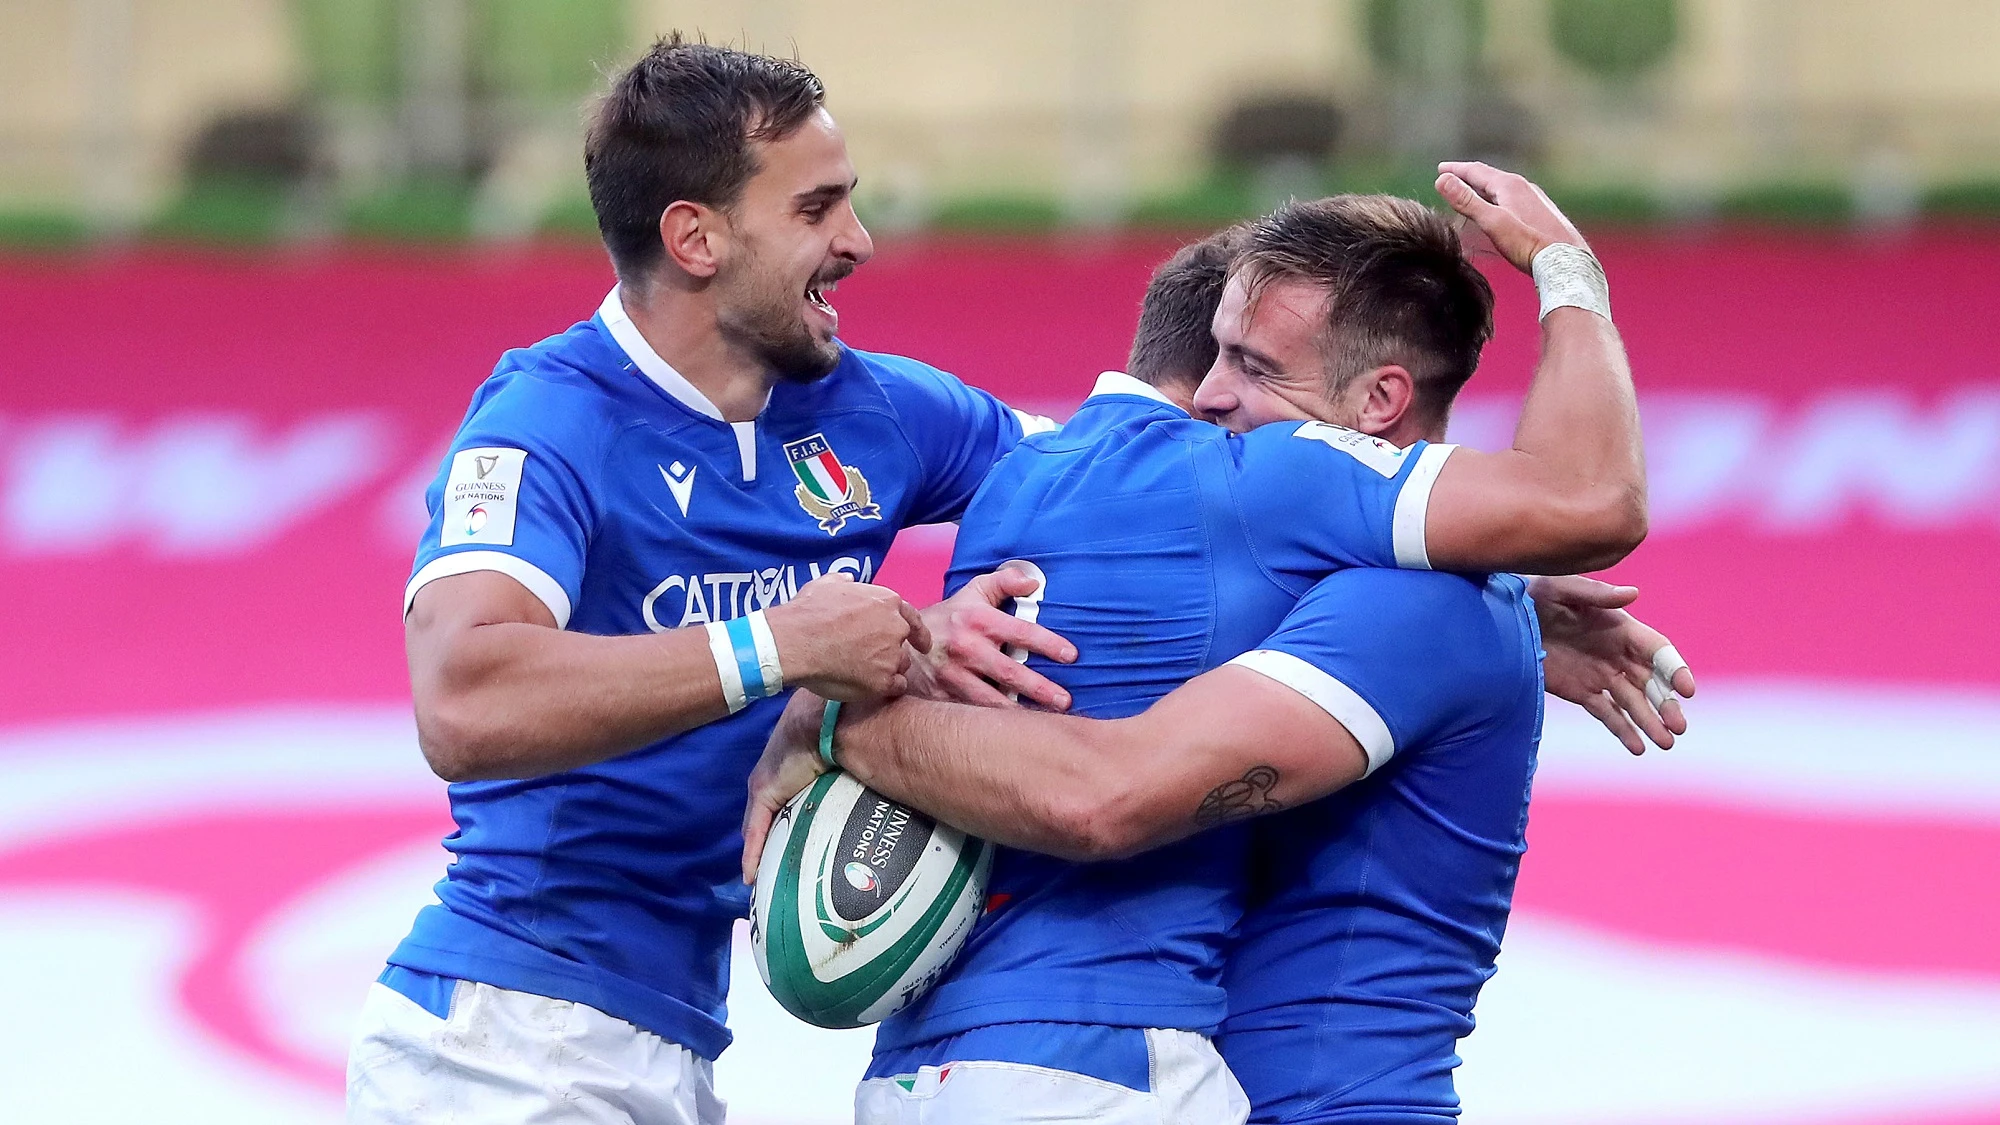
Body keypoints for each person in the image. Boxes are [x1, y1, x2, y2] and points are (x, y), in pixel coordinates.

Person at [743, 166, 1692, 1122]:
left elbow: (1102, 793)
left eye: (1253, 367)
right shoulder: (1380, 586)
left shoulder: (1420, 607)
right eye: (1215, 355)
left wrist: (835, 714)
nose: (1206, 396)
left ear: (1377, 404)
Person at [346, 37, 1072, 1125]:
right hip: (505, 1044)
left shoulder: (879, 411)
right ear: (695, 236)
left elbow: (1111, 492)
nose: (859, 242)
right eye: (816, 209)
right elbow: (462, 699)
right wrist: (781, 648)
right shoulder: (548, 421)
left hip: (664, 1039)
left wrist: (964, 619)